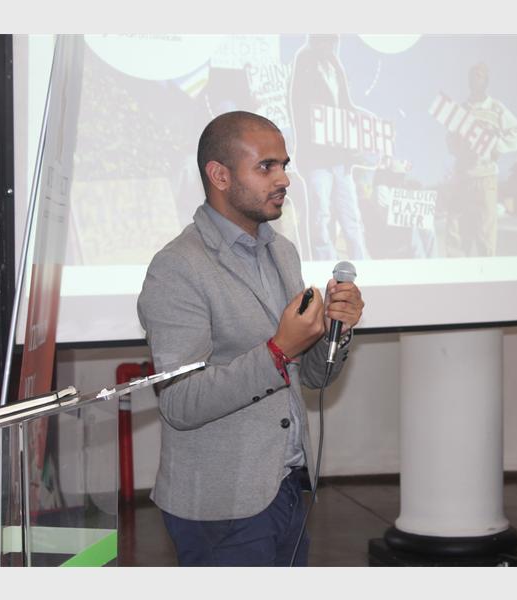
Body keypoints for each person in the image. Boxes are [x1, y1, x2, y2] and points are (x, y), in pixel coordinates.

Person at [137, 111, 364, 566]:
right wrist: (279, 349)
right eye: (266, 167)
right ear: (219, 175)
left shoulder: (282, 251)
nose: (283, 179)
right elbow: (180, 403)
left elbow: (312, 377)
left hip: (286, 487)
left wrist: (336, 330)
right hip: (221, 505)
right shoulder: (178, 266)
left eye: (284, 165)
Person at [289, 34, 370, 261]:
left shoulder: (335, 65)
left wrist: (358, 133)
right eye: (326, 40)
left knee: (350, 214)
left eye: (333, 41)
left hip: (341, 158)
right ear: (316, 41)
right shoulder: (305, 61)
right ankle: (325, 263)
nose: (331, 45)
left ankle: (361, 264)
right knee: (320, 215)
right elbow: (300, 107)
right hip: (317, 158)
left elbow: (345, 106)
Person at [447, 62, 517, 257]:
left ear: (486, 81)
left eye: (479, 76)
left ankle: (487, 269)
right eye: (472, 76)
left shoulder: (496, 108)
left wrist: (496, 145)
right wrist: (461, 146)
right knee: (457, 231)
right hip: (463, 176)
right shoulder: (461, 110)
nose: (475, 79)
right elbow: (450, 142)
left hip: (486, 177)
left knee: (486, 233)